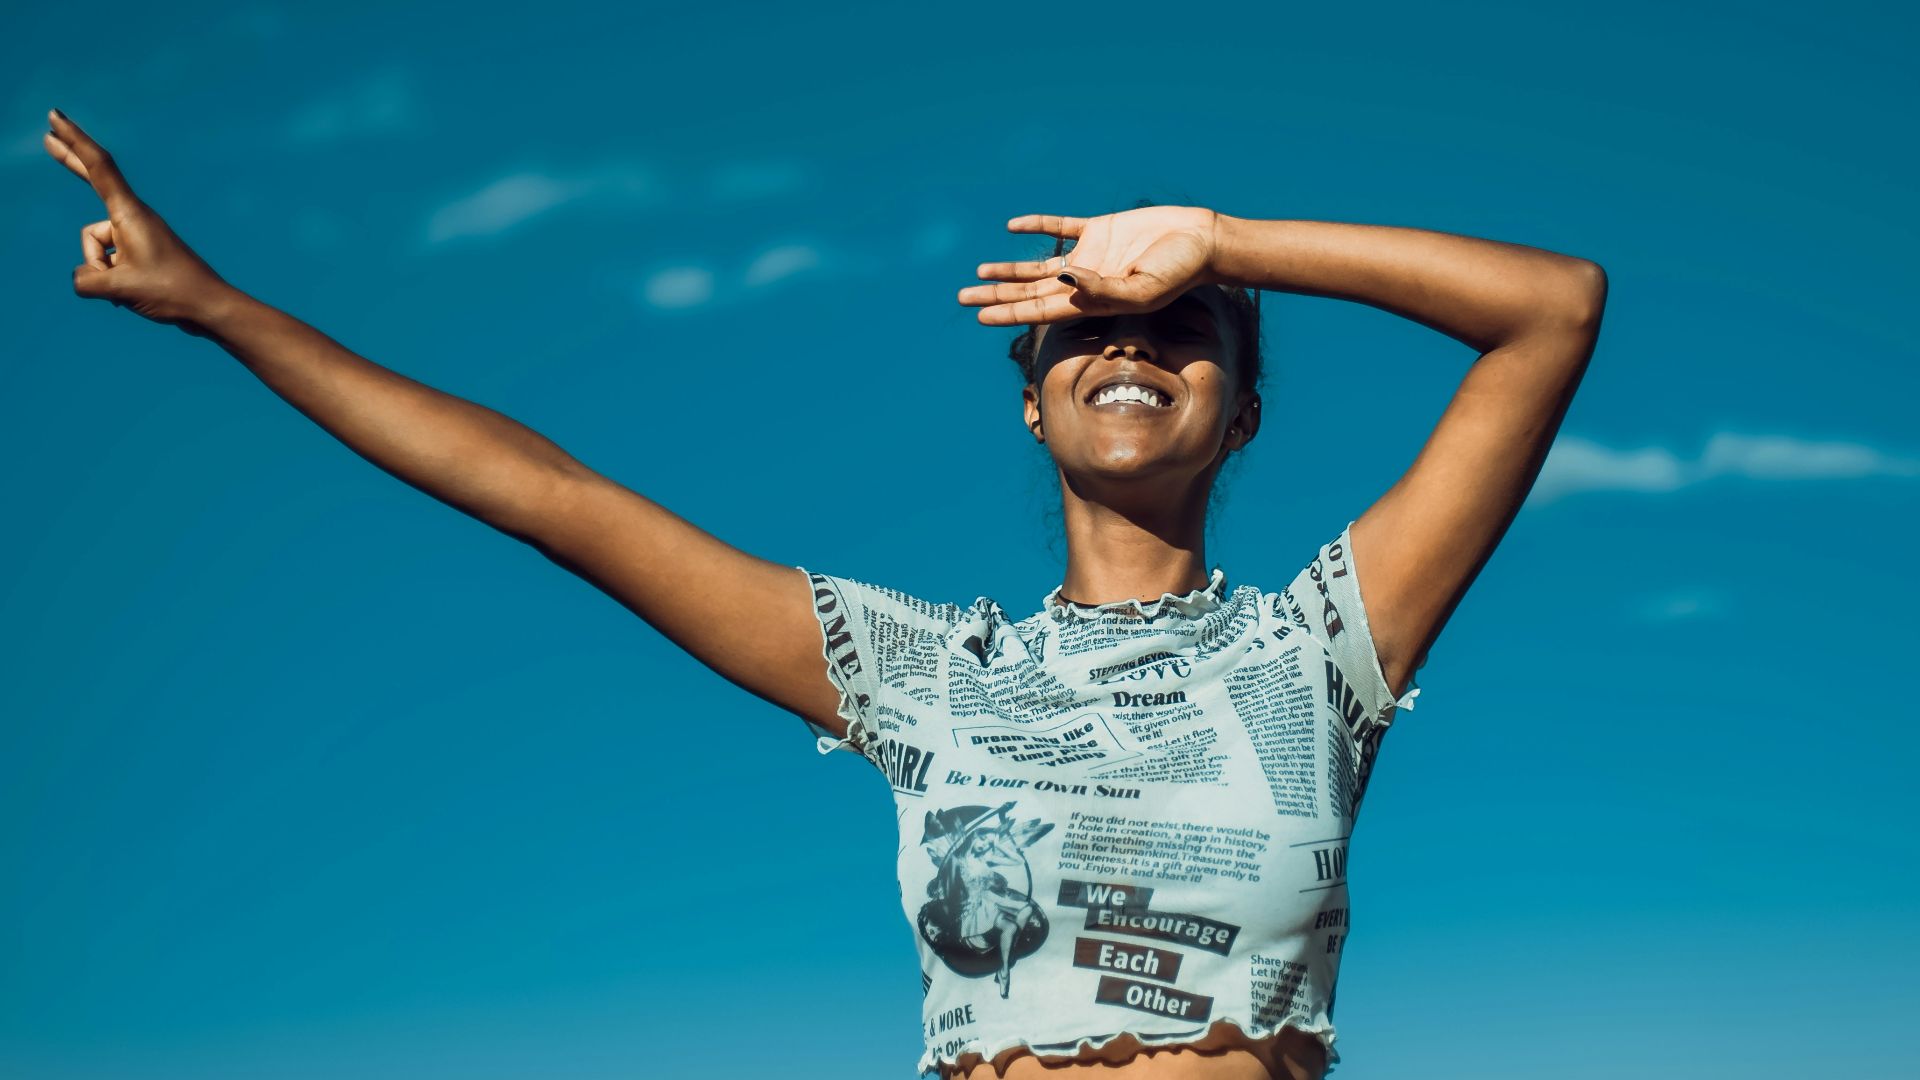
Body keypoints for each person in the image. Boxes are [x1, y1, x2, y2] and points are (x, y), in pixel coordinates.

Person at [41, 107, 1607, 1080]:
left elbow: (1550, 310)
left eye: (1186, 324)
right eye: (1085, 326)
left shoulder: (1320, 649)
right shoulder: (924, 674)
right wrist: (218, 308)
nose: (1131, 341)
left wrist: (1216, 238)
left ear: (1247, 411)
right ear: (1029, 397)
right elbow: (550, 498)